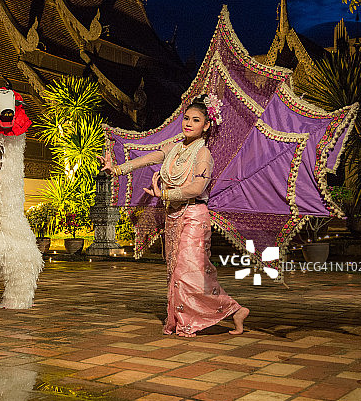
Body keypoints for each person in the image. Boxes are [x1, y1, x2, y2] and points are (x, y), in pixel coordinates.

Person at [100, 94, 249, 337]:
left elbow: (198, 188)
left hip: (194, 216)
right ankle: (231, 310)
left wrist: (166, 194)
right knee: (176, 273)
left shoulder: (203, 155)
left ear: (207, 125)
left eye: (196, 120)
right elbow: (151, 157)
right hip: (173, 217)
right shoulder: (176, 148)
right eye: (186, 118)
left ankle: (195, 320)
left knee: (189, 272)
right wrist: (117, 169)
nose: (188, 123)